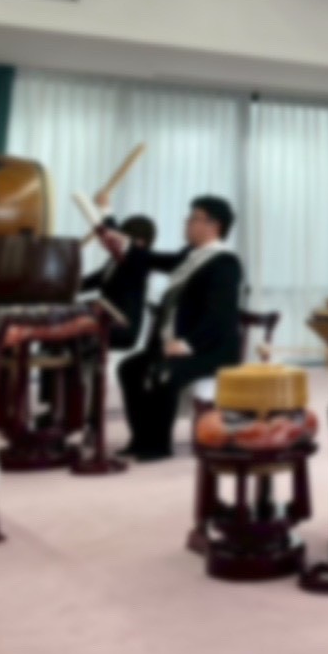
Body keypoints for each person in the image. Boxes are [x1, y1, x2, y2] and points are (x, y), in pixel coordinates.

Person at [106, 196, 243, 461]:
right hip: (179, 344)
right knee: (130, 368)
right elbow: (145, 258)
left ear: (214, 226)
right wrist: (107, 224)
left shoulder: (225, 263)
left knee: (165, 372)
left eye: (193, 218)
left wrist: (189, 344)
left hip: (211, 349)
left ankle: (159, 445)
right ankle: (141, 439)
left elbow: (219, 316)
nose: (187, 223)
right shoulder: (189, 256)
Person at [79, 213, 156, 351]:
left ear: (140, 242)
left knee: (69, 329)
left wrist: (106, 213)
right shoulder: (115, 261)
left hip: (122, 329)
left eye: (124, 238)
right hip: (106, 319)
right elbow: (92, 281)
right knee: (62, 324)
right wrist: (62, 286)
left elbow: (111, 227)